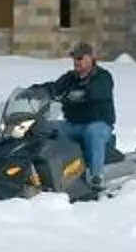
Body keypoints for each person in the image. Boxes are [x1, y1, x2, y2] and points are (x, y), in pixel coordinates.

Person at [39, 40, 116, 185]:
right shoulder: (70, 77)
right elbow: (54, 88)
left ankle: (96, 176)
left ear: (91, 59)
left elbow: (99, 91)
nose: (76, 61)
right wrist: (36, 92)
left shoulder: (103, 76)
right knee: (44, 127)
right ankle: (41, 171)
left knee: (94, 132)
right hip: (73, 124)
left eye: (80, 58)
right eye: (74, 58)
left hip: (98, 124)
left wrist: (82, 94)